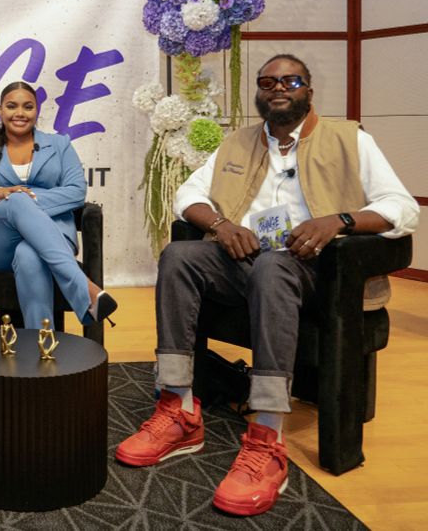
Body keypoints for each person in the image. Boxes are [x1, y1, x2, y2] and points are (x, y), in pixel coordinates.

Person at [115, 54, 419, 516]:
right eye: (268, 81)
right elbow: (188, 195)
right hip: (246, 261)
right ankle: (178, 407)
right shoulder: (237, 142)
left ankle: (267, 436)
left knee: (272, 268)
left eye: (290, 81)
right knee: (179, 255)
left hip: (313, 270)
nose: (279, 88)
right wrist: (220, 225)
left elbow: (402, 208)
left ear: (309, 91)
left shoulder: (349, 138)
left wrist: (337, 221)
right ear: (258, 92)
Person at [0, 81, 118, 330]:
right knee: (16, 200)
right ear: (0, 110)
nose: (20, 113)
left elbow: (76, 192)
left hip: (54, 234)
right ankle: (84, 289)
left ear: (37, 111)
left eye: (28, 107)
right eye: (12, 106)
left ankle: (42, 344)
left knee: (29, 254)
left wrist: (28, 201)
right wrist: (1, 194)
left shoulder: (60, 145)